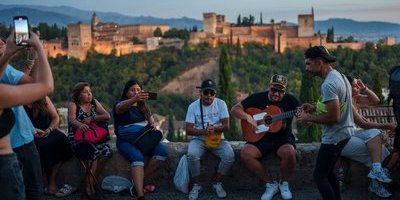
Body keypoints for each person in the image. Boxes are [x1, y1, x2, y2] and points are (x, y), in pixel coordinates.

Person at [0, 31, 54, 199]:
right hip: (12, 151)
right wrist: (38, 47)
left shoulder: (7, 70)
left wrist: (28, 57)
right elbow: (42, 87)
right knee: (33, 192)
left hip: (24, 137)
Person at [297, 46, 354, 200]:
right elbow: (336, 104)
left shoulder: (328, 84)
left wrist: (308, 118)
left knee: (319, 176)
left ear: (319, 62)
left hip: (334, 137)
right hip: (345, 133)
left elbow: (333, 117)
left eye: (308, 64)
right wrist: (315, 107)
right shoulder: (340, 76)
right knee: (328, 173)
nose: (306, 68)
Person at [231, 74, 300, 200]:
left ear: (284, 91)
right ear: (269, 87)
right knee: (246, 153)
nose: (276, 94)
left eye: (280, 91)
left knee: (290, 153)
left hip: (282, 139)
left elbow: (303, 116)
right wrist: (248, 117)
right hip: (260, 138)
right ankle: (270, 184)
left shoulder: (291, 101)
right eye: (274, 89)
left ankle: (283, 183)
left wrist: (306, 117)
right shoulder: (257, 98)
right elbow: (235, 109)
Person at [339, 76, 396, 197]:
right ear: (347, 87)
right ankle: (375, 184)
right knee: (377, 150)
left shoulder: (356, 98)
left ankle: (376, 173)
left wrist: (365, 88)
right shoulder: (345, 101)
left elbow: (376, 101)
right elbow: (363, 123)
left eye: (358, 85)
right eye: (355, 85)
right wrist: (387, 127)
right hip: (343, 138)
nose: (357, 87)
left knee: (377, 141)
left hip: (353, 133)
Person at [113, 79, 167, 200]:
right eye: (132, 90)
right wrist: (134, 99)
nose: (136, 92)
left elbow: (150, 122)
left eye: (138, 90)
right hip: (126, 141)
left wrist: (151, 122)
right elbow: (119, 108)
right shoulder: (120, 104)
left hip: (143, 139)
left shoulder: (143, 107)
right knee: (138, 158)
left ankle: (138, 182)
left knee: (162, 153)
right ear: (126, 92)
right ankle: (140, 194)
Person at [185, 79, 235, 200]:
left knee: (229, 157)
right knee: (192, 155)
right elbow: (188, 129)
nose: (209, 96)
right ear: (200, 92)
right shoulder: (193, 106)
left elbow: (226, 126)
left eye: (211, 93)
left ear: (215, 94)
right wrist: (204, 131)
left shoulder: (221, 104)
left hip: (218, 139)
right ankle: (197, 185)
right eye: (206, 92)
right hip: (199, 139)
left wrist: (215, 129)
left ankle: (217, 182)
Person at [67, 82, 112, 198]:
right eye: (85, 92)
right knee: (94, 154)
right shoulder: (73, 105)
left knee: (107, 151)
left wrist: (92, 118)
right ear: (78, 95)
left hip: (92, 137)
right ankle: (89, 186)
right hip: (77, 138)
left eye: (90, 91)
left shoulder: (94, 103)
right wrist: (80, 125)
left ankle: (90, 181)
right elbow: (71, 119)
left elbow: (107, 116)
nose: (89, 94)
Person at [24, 97, 75, 197]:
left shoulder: (44, 98)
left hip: (47, 132)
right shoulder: (19, 100)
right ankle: (36, 185)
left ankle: (52, 181)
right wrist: (33, 131)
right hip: (29, 134)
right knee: (38, 147)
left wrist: (49, 129)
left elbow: (55, 118)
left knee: (61, 139)